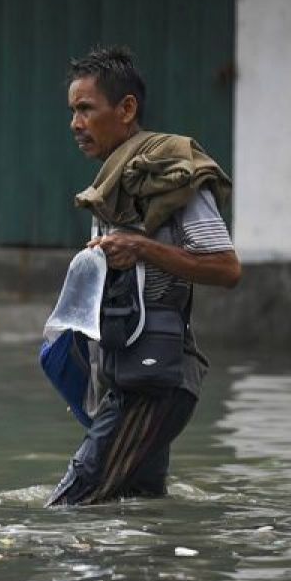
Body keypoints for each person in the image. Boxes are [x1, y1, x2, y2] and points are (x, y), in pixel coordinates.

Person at [48, 45, 241, 506]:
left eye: (85, 109)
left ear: (127, 108)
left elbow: (227, 268)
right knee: (138, 508)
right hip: (129, 375)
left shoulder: (172, 175)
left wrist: (141, 248)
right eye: (72, 111)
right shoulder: (111, 187)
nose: (75, 123)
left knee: (71, 504)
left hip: (154, 382)